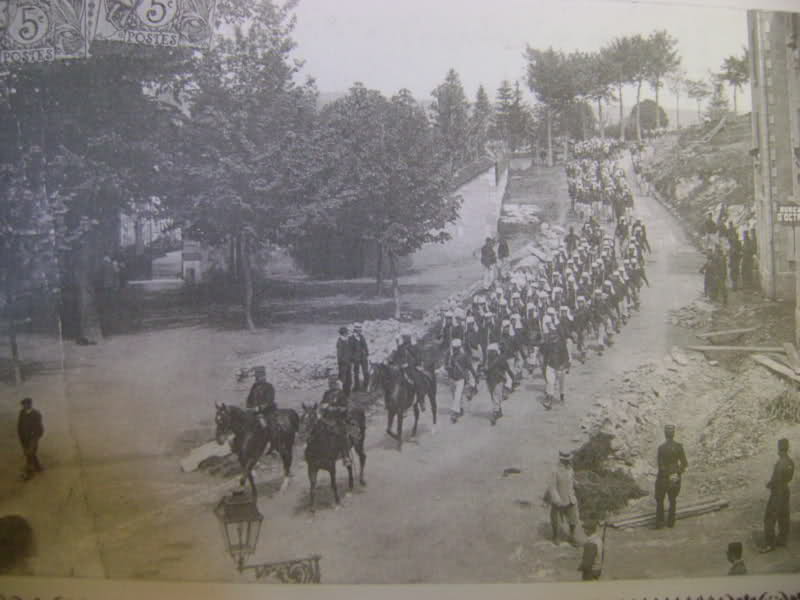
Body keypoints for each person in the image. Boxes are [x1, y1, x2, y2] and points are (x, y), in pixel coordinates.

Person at [759, 438, 794, 553]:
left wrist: (769, 484)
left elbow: (776, 480)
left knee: (770, 517)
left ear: (779, 449)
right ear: (787, 448)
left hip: (777, 493)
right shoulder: (790, 462)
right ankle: (782, 540)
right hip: (785, 490)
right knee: (784, 516)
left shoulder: (780, 464)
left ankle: (769, 544)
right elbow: (789, 478)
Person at [655, 424, 688, 529]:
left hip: (663, 477)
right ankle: (671, 522)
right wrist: (677, 473)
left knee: (660, 500)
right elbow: (684, 463)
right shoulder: (679, 447)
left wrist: (667, 473)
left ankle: (660, 523)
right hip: (674, 476)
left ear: (665, 434)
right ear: (673, 434)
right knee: (672, 499)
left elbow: (660, 465)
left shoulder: (661, 448)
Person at [546, 450, 579, 545]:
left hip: (571, 497)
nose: (568, 461)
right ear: (561, 460)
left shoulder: (570, 468)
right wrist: (557, 500)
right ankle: (556, 537)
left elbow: (571, 480)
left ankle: (572, 536)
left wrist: (576, 483)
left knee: (573, 519)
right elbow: (552, 487)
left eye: (569, 459)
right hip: (560, 498)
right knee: (556, 519)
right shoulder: (554, 470)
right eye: (566, 459)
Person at [319, 376, 352, 467]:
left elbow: (344, 408)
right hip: (326, 418)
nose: (331, 385)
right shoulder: (326, 393)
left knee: (341, 434)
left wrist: (332, 408)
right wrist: (322, 407)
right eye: (330, 383)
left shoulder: (341, 394)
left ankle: (346, 456)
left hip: (338, 419)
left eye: (333, 383)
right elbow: (322, 403)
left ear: (337, 384)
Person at [447, 338, 478, 424]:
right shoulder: (450, 356)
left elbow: (470, 367)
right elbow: (446, 366)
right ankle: (460, 409)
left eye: (456, 348)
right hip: (451, 379)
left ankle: (454, 414)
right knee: (455, 396)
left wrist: (475, 377)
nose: (455, 349)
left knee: (457, 396)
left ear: (459, 347)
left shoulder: (464, 356)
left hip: (460, 379)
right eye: (454, 348)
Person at [485, 343, 513, 426]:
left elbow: (507, 368)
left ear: (496, 351)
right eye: (489, 352)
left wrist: (511, 377)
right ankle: (498, 410)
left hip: (498, 380)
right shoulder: (488, 359)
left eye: (491, 351)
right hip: (489, 380)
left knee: (496, 395)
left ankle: (495, 412)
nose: (489, 353)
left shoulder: (501, 359)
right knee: (494, 395)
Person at [17, 398, 44, 481]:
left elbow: (39, 427)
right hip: (24, 438)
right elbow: (19, 425)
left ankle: (29, 472)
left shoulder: (36, 414)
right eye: (23, 404)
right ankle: (38, 467)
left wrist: (36, 436)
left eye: (26, 404)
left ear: (30, 404)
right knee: (29, 453)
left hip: (33, 437)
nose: (25, 406)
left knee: (30, 452)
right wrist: (20, 436)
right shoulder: (21, 413)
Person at [350, 324, 370, 392]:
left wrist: (367, 354)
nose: (359, 331)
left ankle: (366, 385)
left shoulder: (362, 337)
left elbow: (365, 346)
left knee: (366, 372)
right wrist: (352, 358)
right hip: (355, 358)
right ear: (355, 330)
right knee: (356, 373)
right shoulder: (351, 338)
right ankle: (356, 386)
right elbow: (350, 349)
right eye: (358, 329)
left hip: (363, 357)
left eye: (360, 329)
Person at [336, 326, 353, 396]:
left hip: (348, 363)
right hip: (343, 364)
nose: (347, 333)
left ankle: (347, 393)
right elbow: (339, 354)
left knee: (348, 380)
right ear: (343, 333)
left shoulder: (346, 340)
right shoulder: (340, 341)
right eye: (346, 332)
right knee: (343, 379)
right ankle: (343, 394)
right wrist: (342, 362)